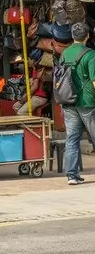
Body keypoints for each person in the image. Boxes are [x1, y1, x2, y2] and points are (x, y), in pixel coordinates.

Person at [59, 22, 95, 185]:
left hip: (68, 101)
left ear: (73, 36)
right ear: (88, 36)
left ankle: (72, 176)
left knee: (72, 139)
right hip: (87, 102)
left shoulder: (64, 53)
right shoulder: (90, 54)